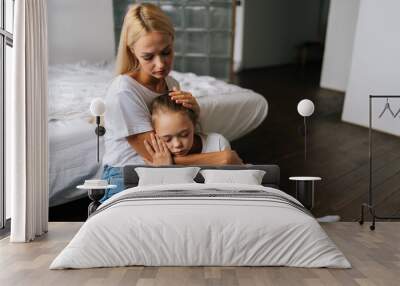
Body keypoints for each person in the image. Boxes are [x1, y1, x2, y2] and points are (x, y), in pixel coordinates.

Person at [101, 3, 242, 201]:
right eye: (148, 56)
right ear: (132, 50)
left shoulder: (171, 83)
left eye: (166, 52)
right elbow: (157, 158)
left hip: (164, 172)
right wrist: (223, 159)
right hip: (125, 175)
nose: (160, 64)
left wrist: (194, 113)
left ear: (172, 42)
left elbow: (172, 150)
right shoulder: (123, 92)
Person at [144, 94, 231, 165]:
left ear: (194, 125)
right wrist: (163, 169)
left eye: (184, 135)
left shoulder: (218, 144)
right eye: (167, 139)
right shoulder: (156, 158)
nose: (177, 144)